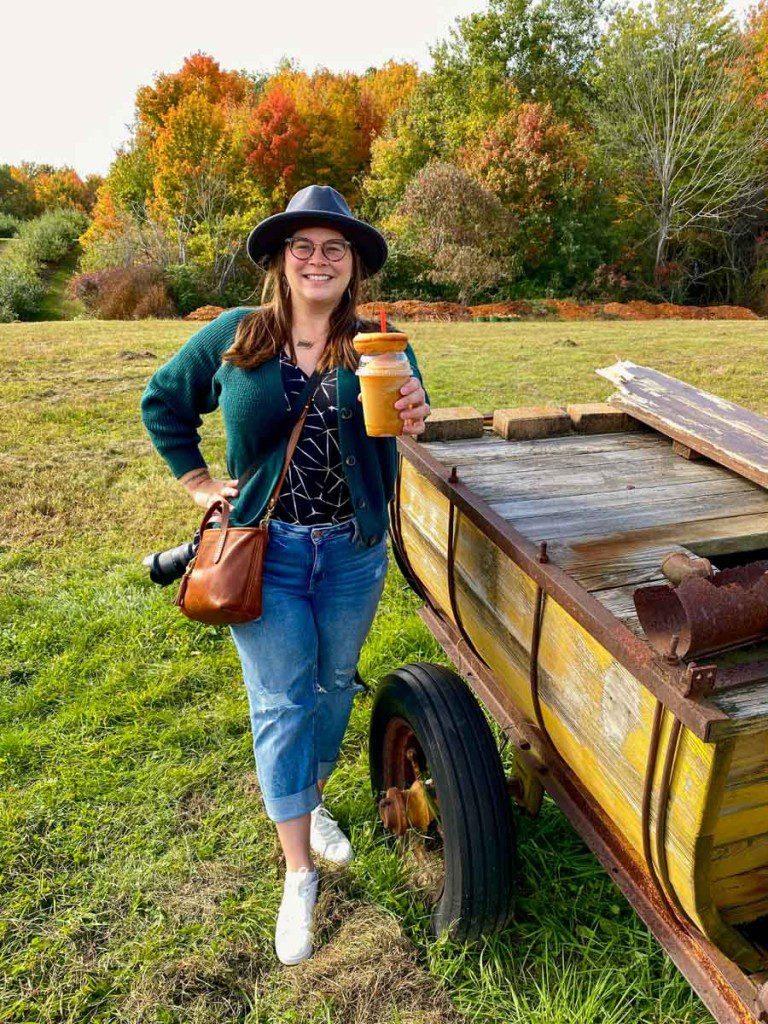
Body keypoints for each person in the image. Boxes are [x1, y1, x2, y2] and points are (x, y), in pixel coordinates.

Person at [140, 185, 430, 966]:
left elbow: (411, 410)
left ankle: (310, 799)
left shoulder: (376, 339)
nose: (318, 259)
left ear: (353, 268)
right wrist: (201, 482)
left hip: (352, 551)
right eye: (302, 246)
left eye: (334, 248)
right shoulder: (238, 337)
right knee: (279, 700)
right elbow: (163, 401)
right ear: (280, 260)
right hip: (266, 550)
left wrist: (414, 408)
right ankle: (298, 870)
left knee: (334, 686)